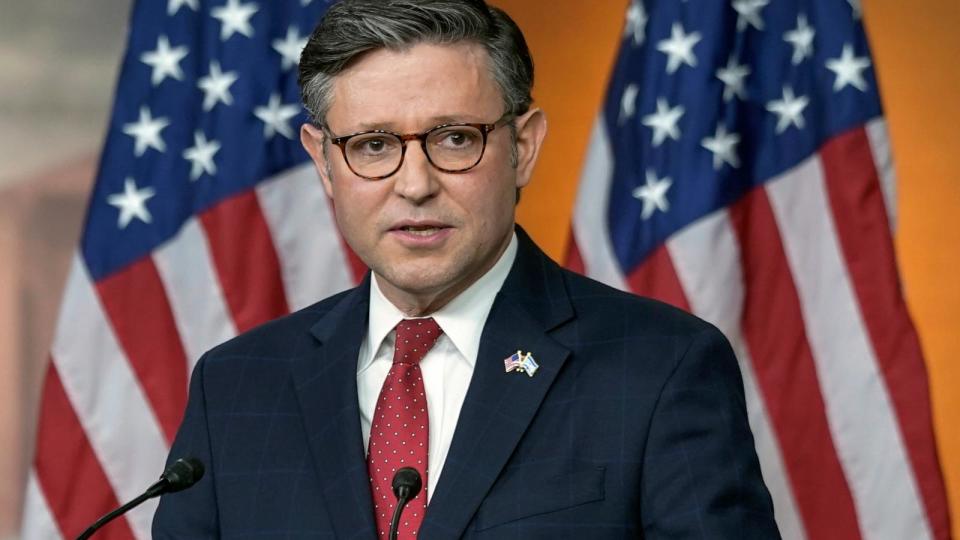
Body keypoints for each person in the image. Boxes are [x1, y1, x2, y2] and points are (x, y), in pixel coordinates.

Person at [153, 0, 780, 538]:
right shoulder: (234, 386)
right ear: (324, 163)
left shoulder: (660, 368)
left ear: (523, 147)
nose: (415, 184)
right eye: (374, 145)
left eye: (454, 138)